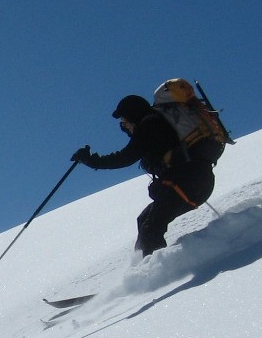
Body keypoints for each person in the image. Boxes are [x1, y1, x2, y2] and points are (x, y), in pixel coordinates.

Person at [72, 94, 216, 257]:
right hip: (194, 181)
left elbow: (124, 158)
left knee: (150, 230)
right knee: (144, 220)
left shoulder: (150, 125)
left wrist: (91, 160)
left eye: (124, 121)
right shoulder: (157, 124)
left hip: (186, 182)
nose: (124, 126)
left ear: (133, 115)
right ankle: (146, 267)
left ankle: (157, 274)